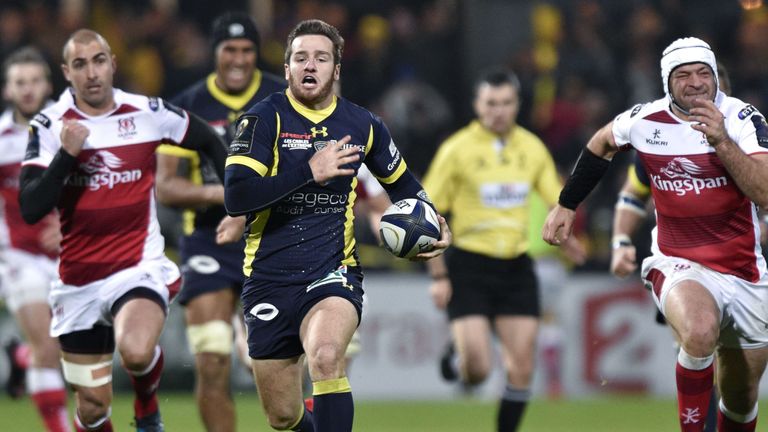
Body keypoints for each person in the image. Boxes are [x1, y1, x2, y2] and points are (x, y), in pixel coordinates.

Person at [223, 19, 451, 432]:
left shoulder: (363, 125)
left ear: (337, 68)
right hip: (268, 278)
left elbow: (404, 186)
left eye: (321, 58)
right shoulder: (262, 120)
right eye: (301, 58)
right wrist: (309, 171)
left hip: (333, 272)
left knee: (327, 357)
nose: (310, 65)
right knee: (283, 416)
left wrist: (433, 221)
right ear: (287, 68)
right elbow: (237, 197)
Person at [543, 37, 768, 432]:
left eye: (703, 73)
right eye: (684, 75)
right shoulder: (645, 121)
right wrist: (567, 203)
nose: (695, 82)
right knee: (699, 330)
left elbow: (764, 192)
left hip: (744, 271)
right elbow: (601, 144)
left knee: (741, 396)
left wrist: (721, 140)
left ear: (716, 77)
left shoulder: (743, 119)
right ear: (667, 82)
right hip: (679, 262)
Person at [18, 29, 228, 432]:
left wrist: (235, 203)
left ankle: (147, 405)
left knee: (135, 351)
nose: (91, 73)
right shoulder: (50, 125)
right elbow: (31, 207)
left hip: (136, 267)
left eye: (99, 61)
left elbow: (208, 138)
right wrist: (67, 155)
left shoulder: (146, 112)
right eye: (80, 64)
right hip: (78, 282)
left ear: (113, 64)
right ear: (67, 72)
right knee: (92, 409)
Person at [421, 69, 584, 432]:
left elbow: (557, 200)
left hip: (516, 266)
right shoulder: (456, 150)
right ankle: (458, 354)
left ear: (517, 105)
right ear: (477, 105)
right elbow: (428, 215)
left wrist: (569, 237)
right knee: (478, 372)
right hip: (469, 265)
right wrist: (438, 275)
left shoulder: (531, 147)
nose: (498, 111)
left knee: (522, 368)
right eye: (491, 103)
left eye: (506, 103)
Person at [154, 11, 285, 432]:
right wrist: (227, 196)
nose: (239, 59)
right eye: (230, 49)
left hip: (273, 239)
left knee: (274, 366)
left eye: (247, 50)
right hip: (209, 239)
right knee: (211, 360)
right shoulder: (188, 106)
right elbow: (165, 187)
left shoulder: (282, 98)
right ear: (215, 52)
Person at [610, 61, 733, 432]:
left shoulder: (749, 137)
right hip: (681, 263)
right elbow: (632, 194)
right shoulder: (660, 139)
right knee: (698, 344)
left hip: (739, 263)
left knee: (736, 371)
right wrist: (620, 241)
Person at [0, 46, 71, 432]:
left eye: (34, 81)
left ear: (47, 85)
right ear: (8, 90)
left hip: (70, 252)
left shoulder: (67, 129)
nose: (27, 89)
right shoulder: (1, 140)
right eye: (19, 82)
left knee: (64, 349)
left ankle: (22, 357)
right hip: (18, 256)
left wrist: (67, 224)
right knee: (48, 346)